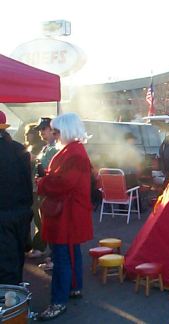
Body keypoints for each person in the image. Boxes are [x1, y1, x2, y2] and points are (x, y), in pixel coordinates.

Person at [36, 112, 94, 320]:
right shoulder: (74, 150)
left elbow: (63, 183)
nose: (54, 134)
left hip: (66, 213)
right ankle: (74, 287)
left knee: (61, 257)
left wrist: (42, 182)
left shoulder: (74, 153)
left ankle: (58, 302)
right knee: (71, 252)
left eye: (57, 131)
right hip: (70, 211)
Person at [0, 111, 33, 284]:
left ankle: (7, 305)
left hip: (3, 215)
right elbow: (27, 183)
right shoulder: (20, 149)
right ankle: (15, 303)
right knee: (16, 260)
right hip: (21, 213)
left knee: (5, 265)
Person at [27, 117, 60, 261]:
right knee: (41, 221)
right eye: (40, 129)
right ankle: (44, 250)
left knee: (48, 223)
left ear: (53, 130)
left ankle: (54, 255)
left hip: (48, 192)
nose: (41, 132)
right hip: (39, 190)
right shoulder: (47, 147)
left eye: (44, 129)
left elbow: (50, 171)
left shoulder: (56, 148)